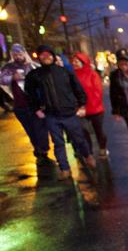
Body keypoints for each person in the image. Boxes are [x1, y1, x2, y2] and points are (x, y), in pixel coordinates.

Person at [24, 44, 95, 180]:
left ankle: (87, 155)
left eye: (48, 55)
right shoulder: (35, 75)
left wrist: (82, 105)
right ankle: (64, 169)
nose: (46, 58)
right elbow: (30, 94)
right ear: (39, 58)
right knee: (58, 143)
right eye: (43, 56)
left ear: (53, 56)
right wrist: (36, 109)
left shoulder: (64, 72)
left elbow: (77, 88)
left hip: (69, 113)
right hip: (51, 115)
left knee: (79, 138)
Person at [0, 44, 50, 163]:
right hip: (20, 106)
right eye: (15, 54)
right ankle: (37, 148)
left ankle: (43, 148)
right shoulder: (8, 67)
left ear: (24, 53)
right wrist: (13, 77)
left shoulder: (32, 66)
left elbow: (44, 79)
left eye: (20, 53)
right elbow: (2, 79)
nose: (18, 56)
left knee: (40, 129)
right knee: (30, 130)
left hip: (35, 105)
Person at [71, 52, 108, 158]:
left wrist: (89, 105)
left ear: (83, 62)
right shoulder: (72, 76)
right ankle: (89, 152)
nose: (74, 64)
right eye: (73, 62)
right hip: (80, 110)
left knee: (98, 130)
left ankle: (102, 148)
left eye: (77, 61)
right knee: (83, 130)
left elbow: (97, 91)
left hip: (95, 109)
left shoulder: (92, 74)